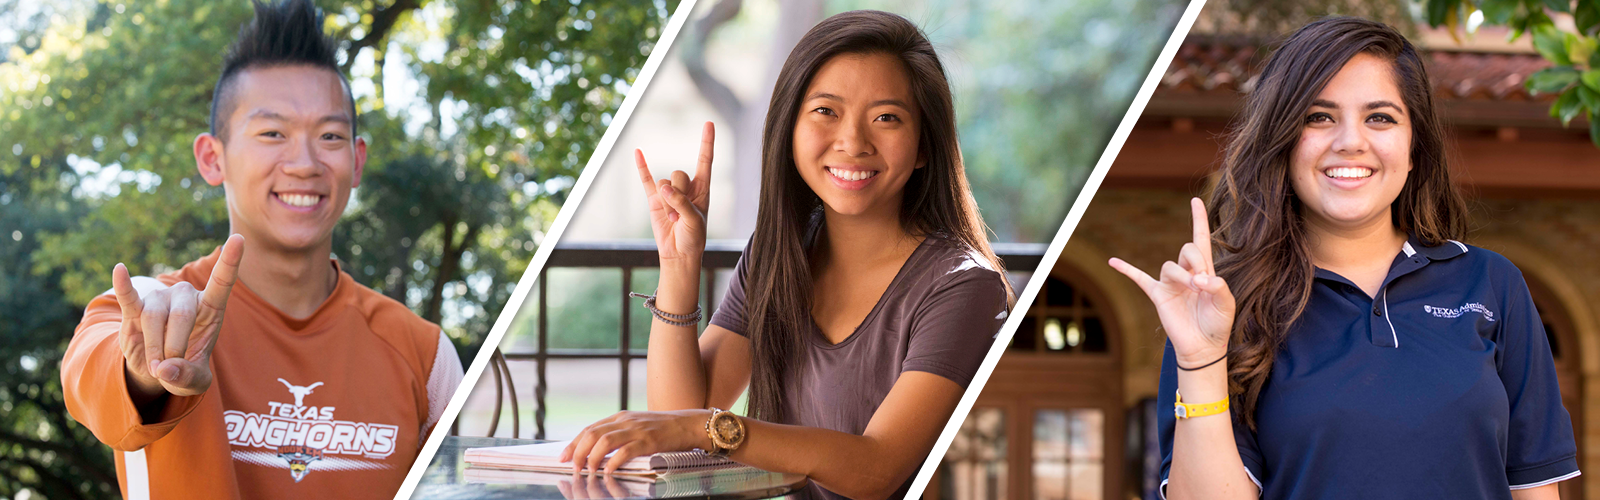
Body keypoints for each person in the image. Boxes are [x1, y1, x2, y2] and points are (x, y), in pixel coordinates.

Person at [1108, 17, 1579, 499]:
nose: (1350, 141)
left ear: (1414, 146)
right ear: (1285, 142)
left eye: (1380, 117)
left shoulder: (1491, 284)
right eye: (1318, 117)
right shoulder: (1225, 307)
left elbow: (1535, 490)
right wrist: (1201, 359)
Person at [559, 10, 1012, 500]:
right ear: (789, 130)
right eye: (826, 111)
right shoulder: (780, 253)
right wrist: (679, 264)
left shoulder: (964, 286)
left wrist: (707, 428)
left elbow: (876, 470)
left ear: (925, 145)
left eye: (886, 117)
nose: (853, 142)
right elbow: (681, 411)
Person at [60, 1, 463, 498]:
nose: (304, 162)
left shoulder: (425, 357)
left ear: (356, 163)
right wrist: (144, 373)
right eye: (273, 133)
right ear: (213, 158)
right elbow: (88, 374)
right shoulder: (148, 312)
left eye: (330, 136)